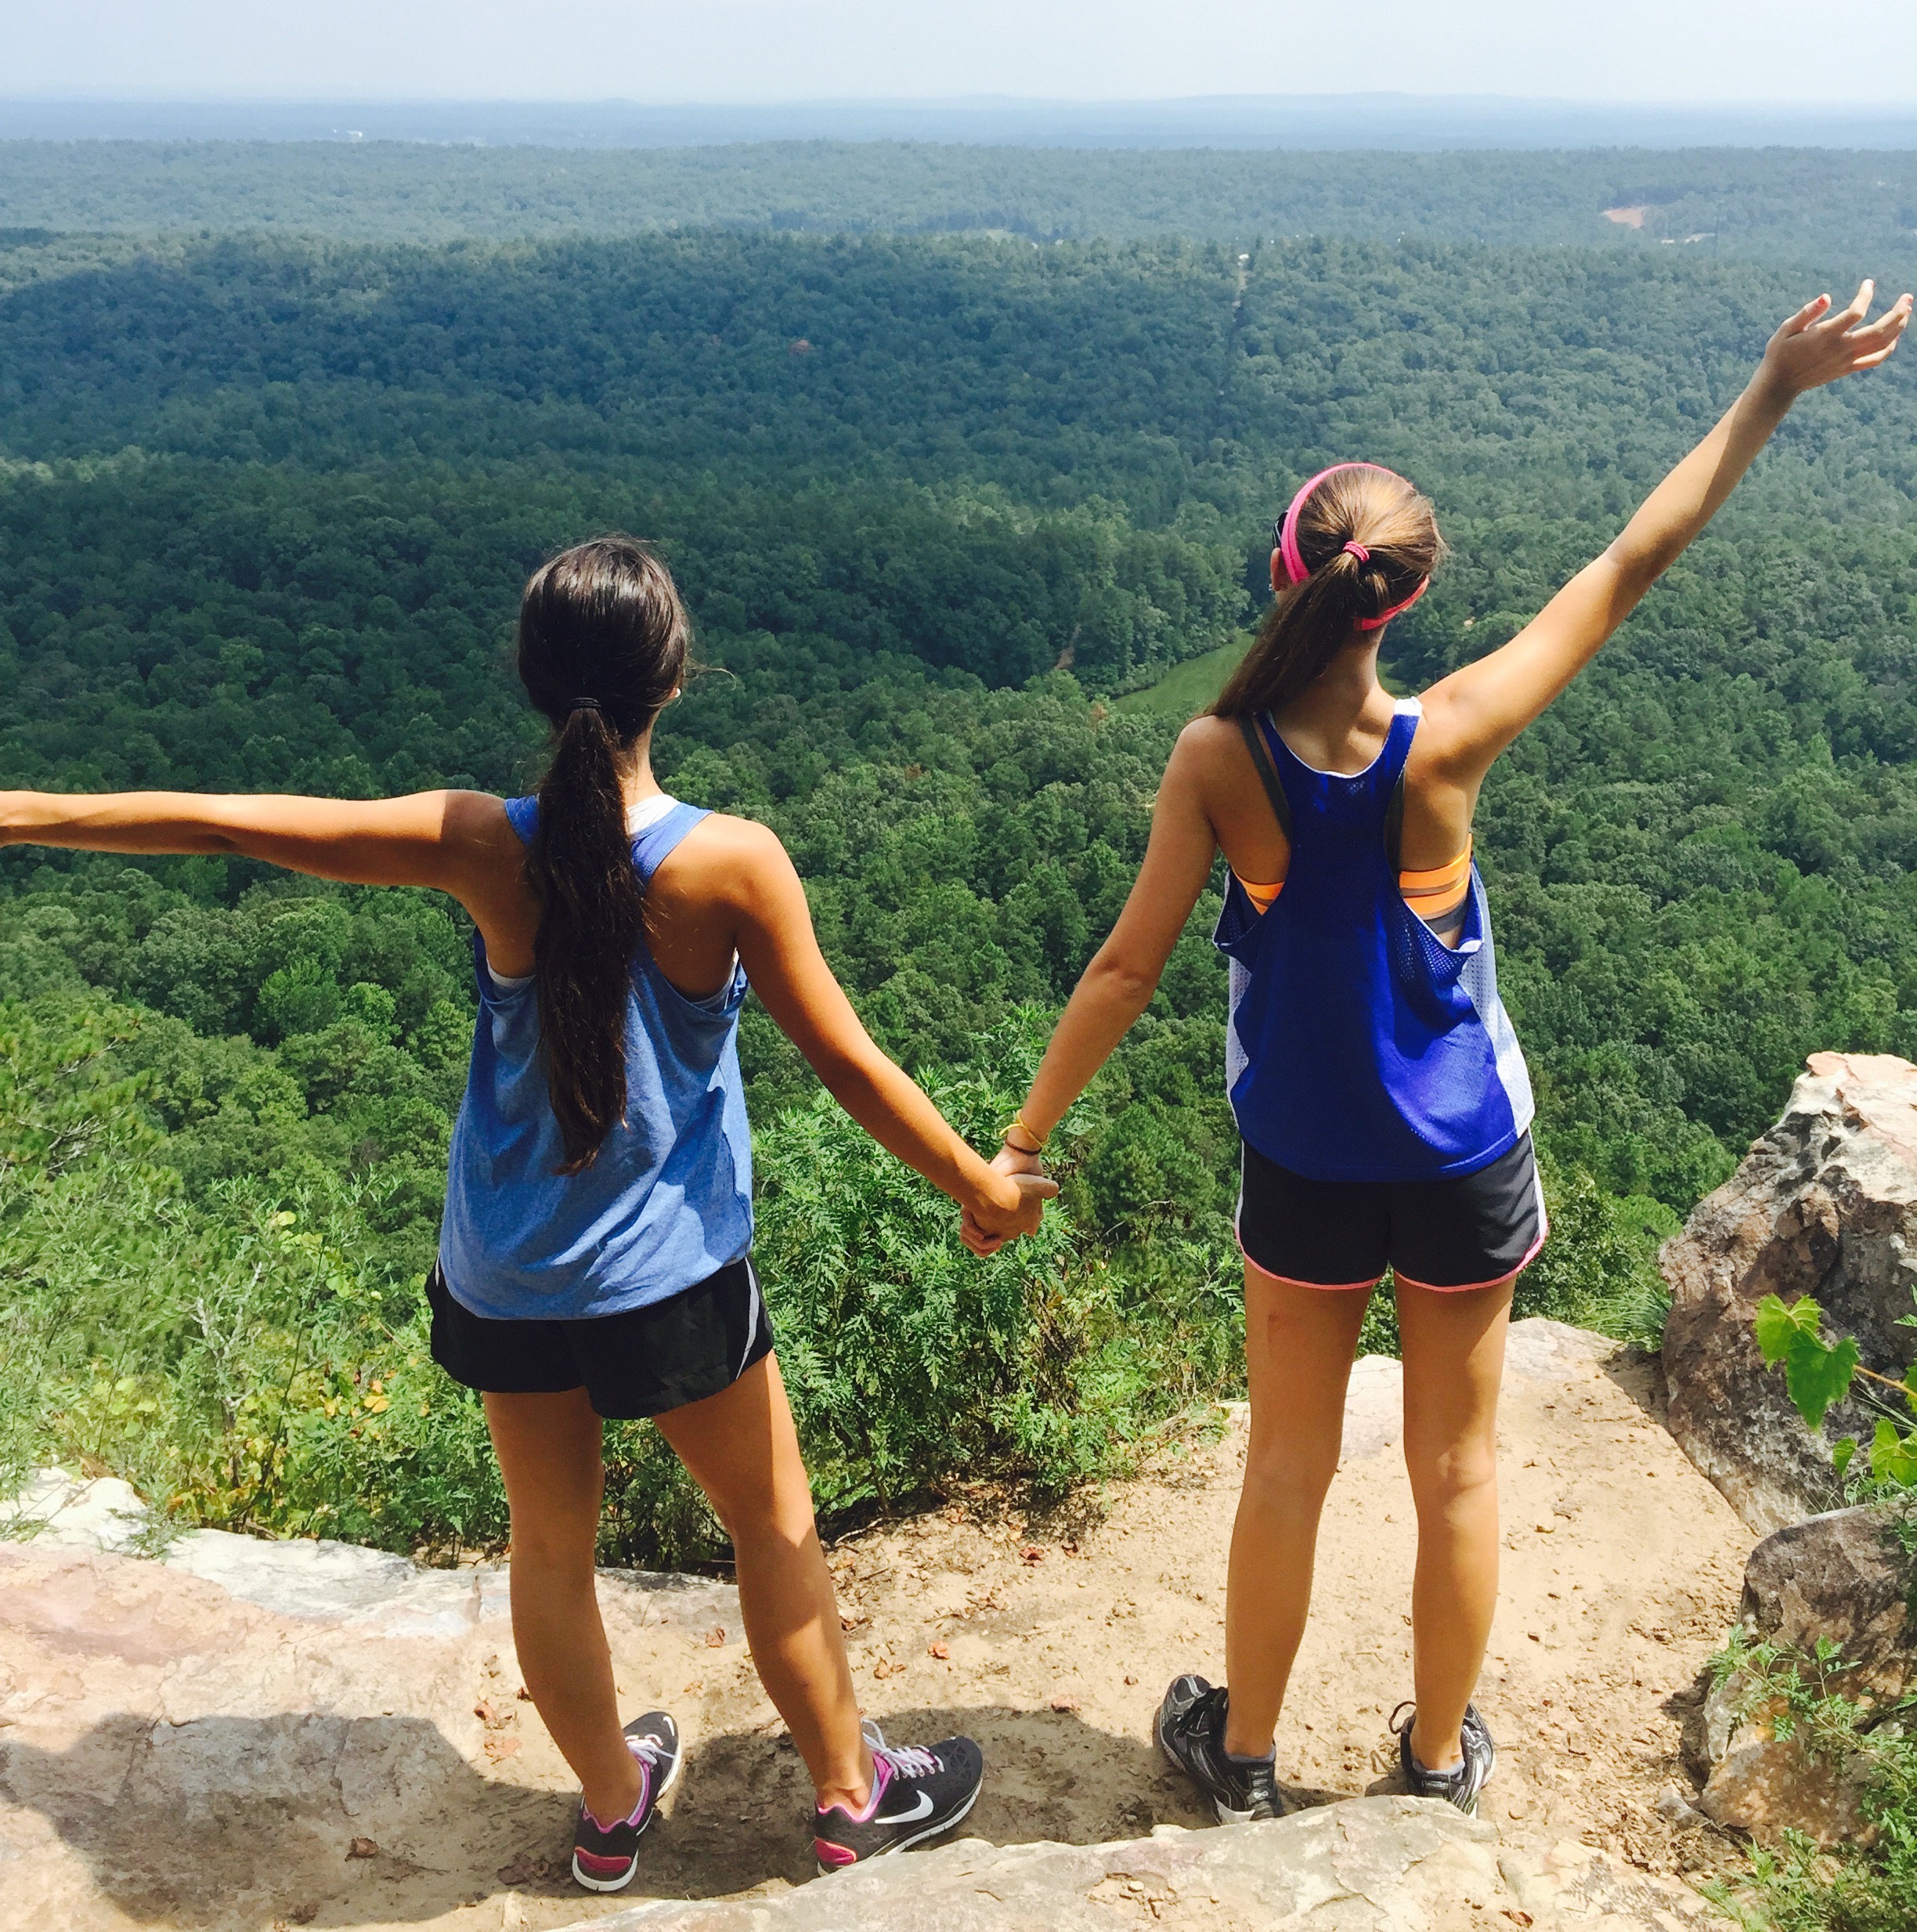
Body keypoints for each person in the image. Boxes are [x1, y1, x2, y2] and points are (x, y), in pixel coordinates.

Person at [965, 280, 1910, 1823]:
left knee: (1287, 1466)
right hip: (1466, 1153)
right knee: (1459, 1470)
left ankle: (1244, 1761)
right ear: (1397, 601)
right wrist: (1769, 393)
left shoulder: (1217, 757)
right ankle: (1433, 1766)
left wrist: (1020, 1147)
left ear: (1288, 574)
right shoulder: (1449, 734)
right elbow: (1632, 560)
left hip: (1306, 1158)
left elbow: (1126, 967)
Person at [1, 535, 1054, 1891]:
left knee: (551, 1547)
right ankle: (852, 1796)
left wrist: (24, 812)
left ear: (533, 681)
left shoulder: (479, 841)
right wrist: (978, 1185)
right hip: (671, 1274)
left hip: (506, 1271)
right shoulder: (732, 863)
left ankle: (612, 1811)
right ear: (677, 677)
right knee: (771, 1523)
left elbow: (226, 820)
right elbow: (848, 1063)